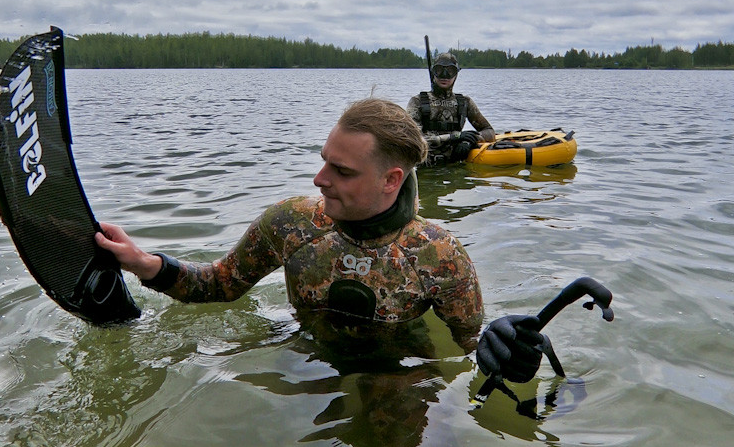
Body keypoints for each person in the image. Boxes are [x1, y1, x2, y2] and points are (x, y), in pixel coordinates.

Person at [96, 98, 541, 380]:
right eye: (324, 161)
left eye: (342, 171)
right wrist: (146, 264)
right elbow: (220, 285)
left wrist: (507, 349)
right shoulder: (293, 222)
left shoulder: (437, 253)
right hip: (303, 349)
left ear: (391, 180)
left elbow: (469, 344)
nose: (319, 179)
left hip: (396, 370)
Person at [407, 51, 495, 165]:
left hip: (455, 164)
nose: (444, 75)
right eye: (439, 70)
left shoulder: (464, 102)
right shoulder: (418, 101)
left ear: (456, 74)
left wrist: (468, 142)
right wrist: (454, 137)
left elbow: (489, 131)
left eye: (450, 71)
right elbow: (411, 137)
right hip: (426, 167)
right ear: (433, 72)